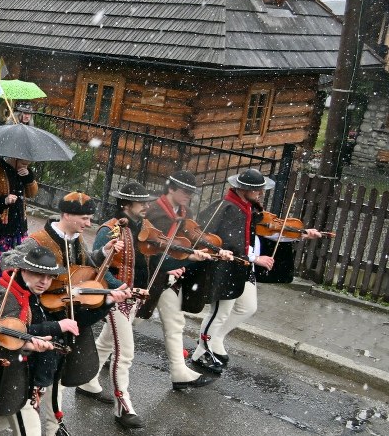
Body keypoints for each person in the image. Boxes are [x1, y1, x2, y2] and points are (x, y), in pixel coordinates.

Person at [192, 168, 321, 375]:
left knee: (247, 307)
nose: (261, 193)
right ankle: (201, 352)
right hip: (228, 267)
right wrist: (255, 258)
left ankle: (216, 340)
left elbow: (271, 232)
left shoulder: (249, 208)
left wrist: (302, 234)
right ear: (243, 189)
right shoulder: (229, 208)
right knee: (220, 312)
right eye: (257, 190)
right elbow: (229, 243)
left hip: (243, 268)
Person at [21, 192, 126, 436]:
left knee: (58, 375)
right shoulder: (38, 239)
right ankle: (40, 423)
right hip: (42, 317)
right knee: (40, 378)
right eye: (85, 218)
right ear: (66, 214)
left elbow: (84, 265)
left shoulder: (76, 239)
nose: (89, 224)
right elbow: (12, 264)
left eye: (90, 219)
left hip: (68, 314)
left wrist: (103, 253)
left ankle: (52, 422)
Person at [77, 181, 168, 429]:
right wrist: (119, 287)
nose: (146, 206)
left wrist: (183, 259)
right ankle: (123, 407)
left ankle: (87, 381)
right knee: (125, 352)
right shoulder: (109, 229)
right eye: (142, 203)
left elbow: (154, 254)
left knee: (107, 341)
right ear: (127, 204)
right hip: (117, 299)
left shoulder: (140, 227)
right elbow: (98, 266)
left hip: (133, 297)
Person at [0, 245, 63, 436]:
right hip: (12, 376)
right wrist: (27, 344)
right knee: (29, 428)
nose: (44, 281)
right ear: (24, 269)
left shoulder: (20, 290)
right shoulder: (9, 298)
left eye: (49, 277)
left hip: (15, 377)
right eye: (38, 274)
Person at [141, 170, 218, 390]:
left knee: (175, 323)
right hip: (151, 276)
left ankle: (179, 372)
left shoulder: (186, 213)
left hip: (170, 278)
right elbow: (150, 248)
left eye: (191, 192)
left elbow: (188, 241)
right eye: (185, 191)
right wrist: (172, 264)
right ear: (171, 189)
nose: (189, 196)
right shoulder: (154, 211)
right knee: (132, 321)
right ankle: (93, 369)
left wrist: (204, 252)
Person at [0, 156, 39, 279]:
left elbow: (32, 193)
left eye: (28, 164)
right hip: (2, 228)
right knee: (1, 265)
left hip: (19, 225)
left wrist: (29, 177)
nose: (25, 166)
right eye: (23, 163)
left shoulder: (24, 172)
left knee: (19, 264)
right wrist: (4, 200)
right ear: (14, 158)